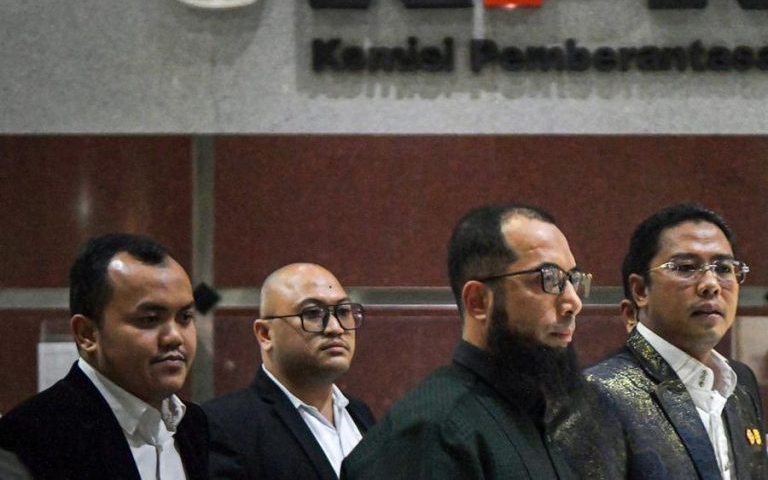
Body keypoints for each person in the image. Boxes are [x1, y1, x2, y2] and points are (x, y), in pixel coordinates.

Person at [342, 204, 591, 480]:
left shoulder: (539, 416)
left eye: (573, 279)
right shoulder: (435, 432)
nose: (574, 302)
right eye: (549, 278)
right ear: (478, 301)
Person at [582, 204, 768, 480]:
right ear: (640, 290)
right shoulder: (598, 392)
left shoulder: (741, 382)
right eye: (686, 268)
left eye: (723, 268)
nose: (711, 284)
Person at [0, 233, 209, 480]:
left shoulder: (195, 426)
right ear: (87, 334)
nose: (174, 337)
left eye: (185, 317)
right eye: (150, 319)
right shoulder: (28, 439)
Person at [204, 263, 374, 480]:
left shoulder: (358, 413)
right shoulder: (225, 424)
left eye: (343, 311)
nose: (336, 328)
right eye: (313, 313)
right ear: (265, 334)